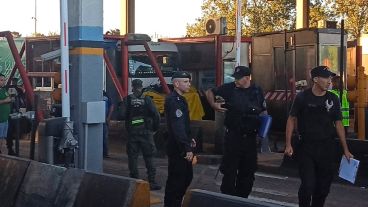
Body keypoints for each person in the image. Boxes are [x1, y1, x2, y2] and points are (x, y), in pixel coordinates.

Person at [285, 66, 354, 207]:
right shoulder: (302, 97)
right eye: (326, 77)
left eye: (330, 78)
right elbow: (291, 119)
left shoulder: (333, 98)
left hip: (326, 147)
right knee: (308, 185)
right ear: (315, 79)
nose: (330, 81)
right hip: (306, 147)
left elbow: (338, 123)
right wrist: (288, 144)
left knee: (323, 187)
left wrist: (345, 149)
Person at [206, 66, 267, 198]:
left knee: (248, 171)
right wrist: (213, 104)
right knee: (230, 170)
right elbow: (209, 92)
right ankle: (228, 198)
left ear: (247, 78)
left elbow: (263, 110)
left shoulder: (257, 91)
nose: (236, 81)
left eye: (238, 79)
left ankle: (242, 198)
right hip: (233, 136)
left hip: (250, 137)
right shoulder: (229, 88)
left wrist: (263, 132)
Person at [122, 79, 161, 190]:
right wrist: (154, 129)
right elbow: (156, 115)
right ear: (141, 86)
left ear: (132, 87)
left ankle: (134, 181)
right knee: (149, 157)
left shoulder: (128, 100)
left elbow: (121, 114)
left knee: (133, 158)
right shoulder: (147, 99)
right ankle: (152, 182)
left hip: (132, 134)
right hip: (146, 133)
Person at [164, 71, 196, 207]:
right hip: (178, 148)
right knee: (178, 181)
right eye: (185, 81)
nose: (189, 84)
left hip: (181, 144)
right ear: (176, 84)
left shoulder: (180, 99)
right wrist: (186, 147)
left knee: (186, 177)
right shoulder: (174, 101)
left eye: (189, 81)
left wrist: (190, 139)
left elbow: (183, 124)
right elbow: (177, 126)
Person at [0, 73, 12, 154]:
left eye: (4, 80)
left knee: (2, 137)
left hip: (5, 118)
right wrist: (5, 100)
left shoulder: (4, 90)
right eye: (1, 80)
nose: (3, 82)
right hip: (0, 119)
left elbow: (9, 98)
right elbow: (7, 99)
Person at [103, 91, 114, 158]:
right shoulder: (106, 97)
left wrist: (108, 118)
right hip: (104, 120)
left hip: (103, 120)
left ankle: (105, 152)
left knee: (104, 137)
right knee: (104, 137)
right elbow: (111, 107)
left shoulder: (105, 97)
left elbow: (111, 107)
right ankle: (105, 153)